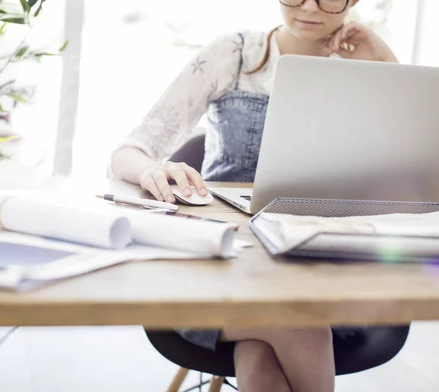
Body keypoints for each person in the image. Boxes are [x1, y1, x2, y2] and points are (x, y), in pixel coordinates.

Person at [112, 1, 398, 391]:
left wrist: (385, 67)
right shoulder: (235, 53)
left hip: (322, 273)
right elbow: (130, 151)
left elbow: (407, 180)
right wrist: (150, 170)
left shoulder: (368, 62)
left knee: (261, 355)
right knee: (299, 325)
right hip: (223, 264)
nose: (309, 7)